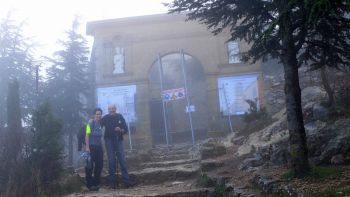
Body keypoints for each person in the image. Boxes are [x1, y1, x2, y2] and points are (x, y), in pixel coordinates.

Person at [101, 104, 134, 189]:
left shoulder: (120, 116)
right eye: (110, 109)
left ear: (115, 109)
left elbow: (125, 129)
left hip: (119, 140)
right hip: (109, 141)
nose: (111, 110)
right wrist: (90, 123)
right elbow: (98, 125)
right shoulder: (105, 118)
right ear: (108, 110)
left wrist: (120, 130)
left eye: (113, 109)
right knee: (111, 160)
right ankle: (112, 183)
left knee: (122, 160)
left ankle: (126, 181)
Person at [84, 108, 104, 191]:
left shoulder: (101, 124)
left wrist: (103, 148)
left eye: (99, 114)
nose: (98, 115)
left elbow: (101, 138)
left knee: (99, 166)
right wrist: (87, 147)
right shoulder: (90, 123)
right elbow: (87, 135)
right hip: (91, 147)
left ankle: (96, 183)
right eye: (97, 114)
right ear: (94, 115)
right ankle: (89, 184)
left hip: (99, 148)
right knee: (89, 166)